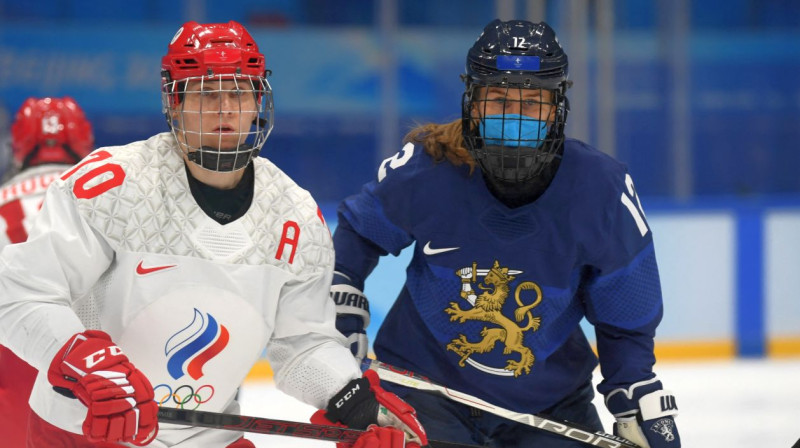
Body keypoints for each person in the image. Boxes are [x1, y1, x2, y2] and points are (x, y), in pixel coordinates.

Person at [0, 21, 426, 448]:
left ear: (258, 101)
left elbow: (302, 343)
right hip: (89, 430)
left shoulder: (295, 216)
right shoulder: (111, 186)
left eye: (239, 92)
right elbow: (19, 294)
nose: (225, 107)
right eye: (206, 92)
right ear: (174, 101)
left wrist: (352, 400)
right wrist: (86, 362)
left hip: (209, 437)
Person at [330, 19, 681, 448]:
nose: (514, 117)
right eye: (498, 99)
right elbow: (359, 233)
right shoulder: (428, 168)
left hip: (549, 404)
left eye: (532, 103)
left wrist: (635, 397)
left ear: (557, 107)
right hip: (422, 394)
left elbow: (625, 320)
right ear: (472, 102)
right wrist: (340, 307)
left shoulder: (601, 189)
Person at [0, 96, 95, 448]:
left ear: (19, 145)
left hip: (10, 396)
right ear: (84, 141)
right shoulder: (108, 197)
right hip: (95, 391)